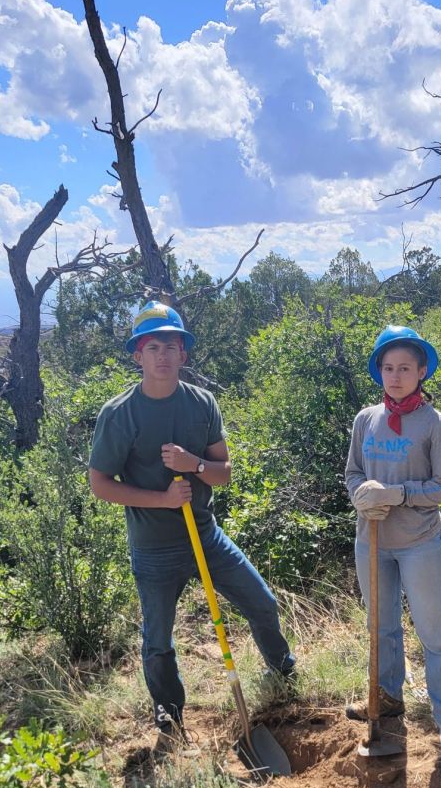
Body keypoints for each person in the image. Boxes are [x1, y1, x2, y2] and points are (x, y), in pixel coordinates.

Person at [89, 301, 295, 744]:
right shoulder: (119, 414)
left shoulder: (202, 404)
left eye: (172, 345)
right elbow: (101, 484)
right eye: (153, 345)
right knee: (158, 640)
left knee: (262, 603)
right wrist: (162, 500)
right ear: (137, 354)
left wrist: (194, 464)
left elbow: (223, 472)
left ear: (184, 354)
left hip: (206, 536)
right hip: (153, 548)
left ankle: (284, 677)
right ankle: (168, 715)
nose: (163, 354)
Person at [345, 324, 441, 768]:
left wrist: (396, 495)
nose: (395, 375)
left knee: (438, 637)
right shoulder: (366, 420)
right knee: (381, 629)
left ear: (422, 372)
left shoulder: (437, 426)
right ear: (379, 372)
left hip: (420, 544)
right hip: (372, 542)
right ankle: (386, 703)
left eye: (405, 368)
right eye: (388, 367)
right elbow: (353, 473)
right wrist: (362, 495)